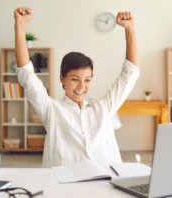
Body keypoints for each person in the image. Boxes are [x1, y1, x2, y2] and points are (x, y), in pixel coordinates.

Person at [14, 7, 139, 168]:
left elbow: (130, 74)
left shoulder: (103, 107)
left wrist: (130, 29)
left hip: (107, 181)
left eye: (87, 80)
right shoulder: (51, 109)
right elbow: (26, 75)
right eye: (75, 79)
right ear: (62, 79)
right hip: (65, 185)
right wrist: (20, 25)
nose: (82, 86)